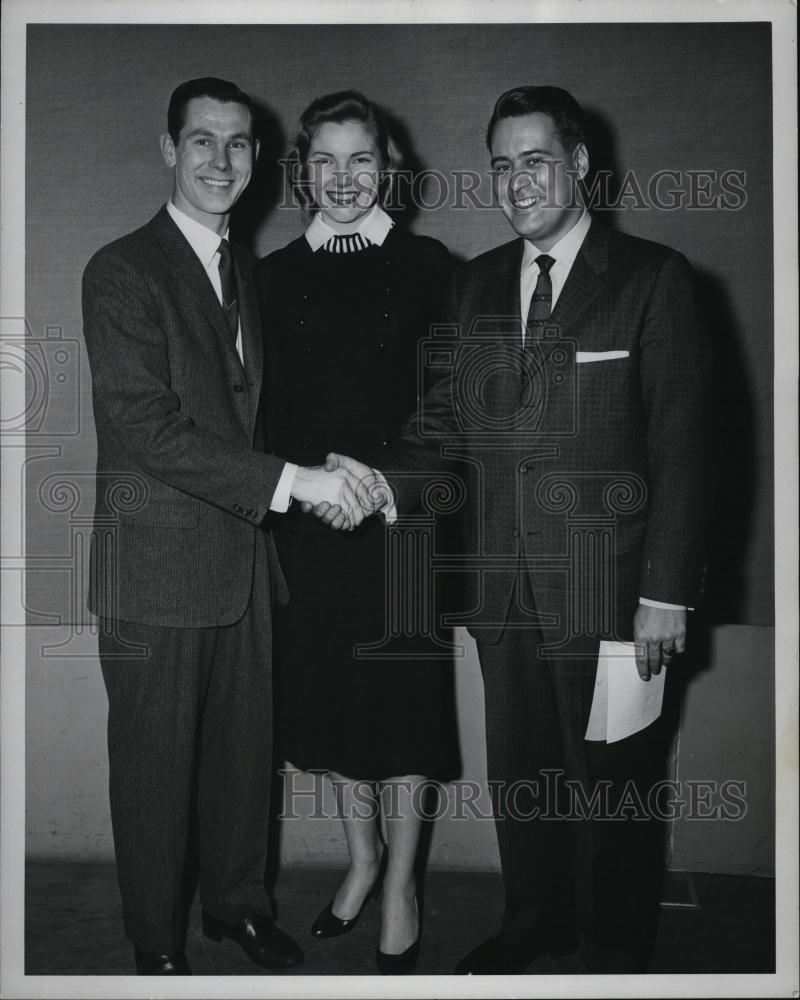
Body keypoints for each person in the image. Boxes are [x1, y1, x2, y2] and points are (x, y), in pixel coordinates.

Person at [323, 85, 712, 974]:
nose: (516, 181)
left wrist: (664, 592)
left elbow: (686, 448)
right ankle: (534, 923)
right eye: (502, 165)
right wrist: (371, 476)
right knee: (525, 773)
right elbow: (444, 425)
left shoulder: (654, 278)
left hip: (616, 595)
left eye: (535, 160)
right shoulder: (476, 283)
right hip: (505, 595)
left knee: (614, 787)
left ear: (578, 165)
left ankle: (614, 951)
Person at [81, 77, 369, 976]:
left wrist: (346, 473)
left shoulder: (247, 268)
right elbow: (148, 429)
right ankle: (156, 940)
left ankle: (237, 909)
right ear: (170, 151)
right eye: (201, 141)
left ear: (255, 160)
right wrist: (295, 481)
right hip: (157, 577)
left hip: (246, 567)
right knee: (157, 773)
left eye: (238, 144)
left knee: (244, 765)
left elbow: (257, 416)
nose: (220, 159)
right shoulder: (121, 270)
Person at [255, 90, 458, 975]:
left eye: (362, 159)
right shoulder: (271, 275)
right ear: (303, 171)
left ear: (391, 168)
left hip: (402, 528)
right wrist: (312, 491)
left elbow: (448, 408)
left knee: (403, 713)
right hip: (313, 526)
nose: (344, 179)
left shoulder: (431, 267)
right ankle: (362, 859)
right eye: (326, 161)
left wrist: (373, 483)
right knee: (335, 708)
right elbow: (267, 416)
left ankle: (403, 883)